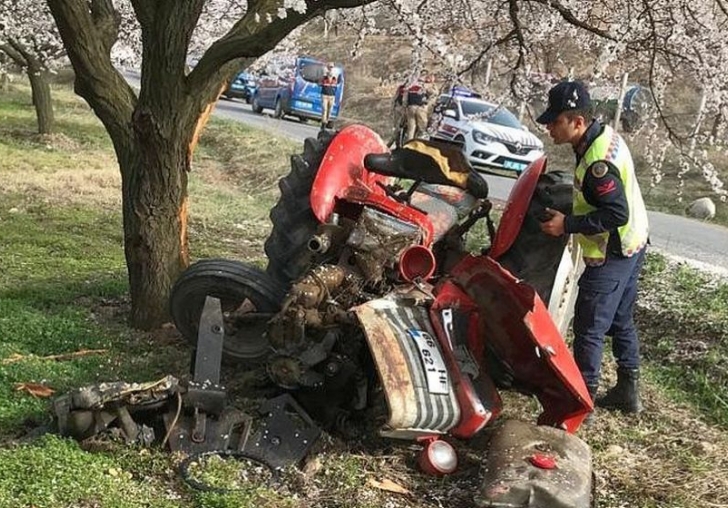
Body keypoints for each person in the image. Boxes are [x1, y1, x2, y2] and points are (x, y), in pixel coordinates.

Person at [536, 80, 650, 423]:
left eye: (555, 121)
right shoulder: (602, 138)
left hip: (613, 252)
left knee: (589, 327)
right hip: (635, 243)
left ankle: (582, 402)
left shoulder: (598, 161)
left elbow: (616, 213)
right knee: (620, 319)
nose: (549, 127)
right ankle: (628, 390)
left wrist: (566, 225)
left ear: (577, 121)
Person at [404, 72, 436, 142]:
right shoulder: (424, 86)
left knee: (411, 129)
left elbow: (405, 99)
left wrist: (405, 107)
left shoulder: (411, 86)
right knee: (422, 128)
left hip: (410, 108)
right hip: (420, 109)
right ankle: (419, 144)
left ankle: (408, 145)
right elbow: (434, 93)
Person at [320, 62, 338, 129]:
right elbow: (322, 82)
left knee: (330, 110)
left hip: (332, 96)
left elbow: (335, 84)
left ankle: (327, 121)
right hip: (324, 95)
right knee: (324, 109)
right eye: (330, 67)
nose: (331, 68)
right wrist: (327, 75)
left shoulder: (335, 77)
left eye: (332, 67)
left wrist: (332, 76)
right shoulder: (324, 76)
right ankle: (323, 123)